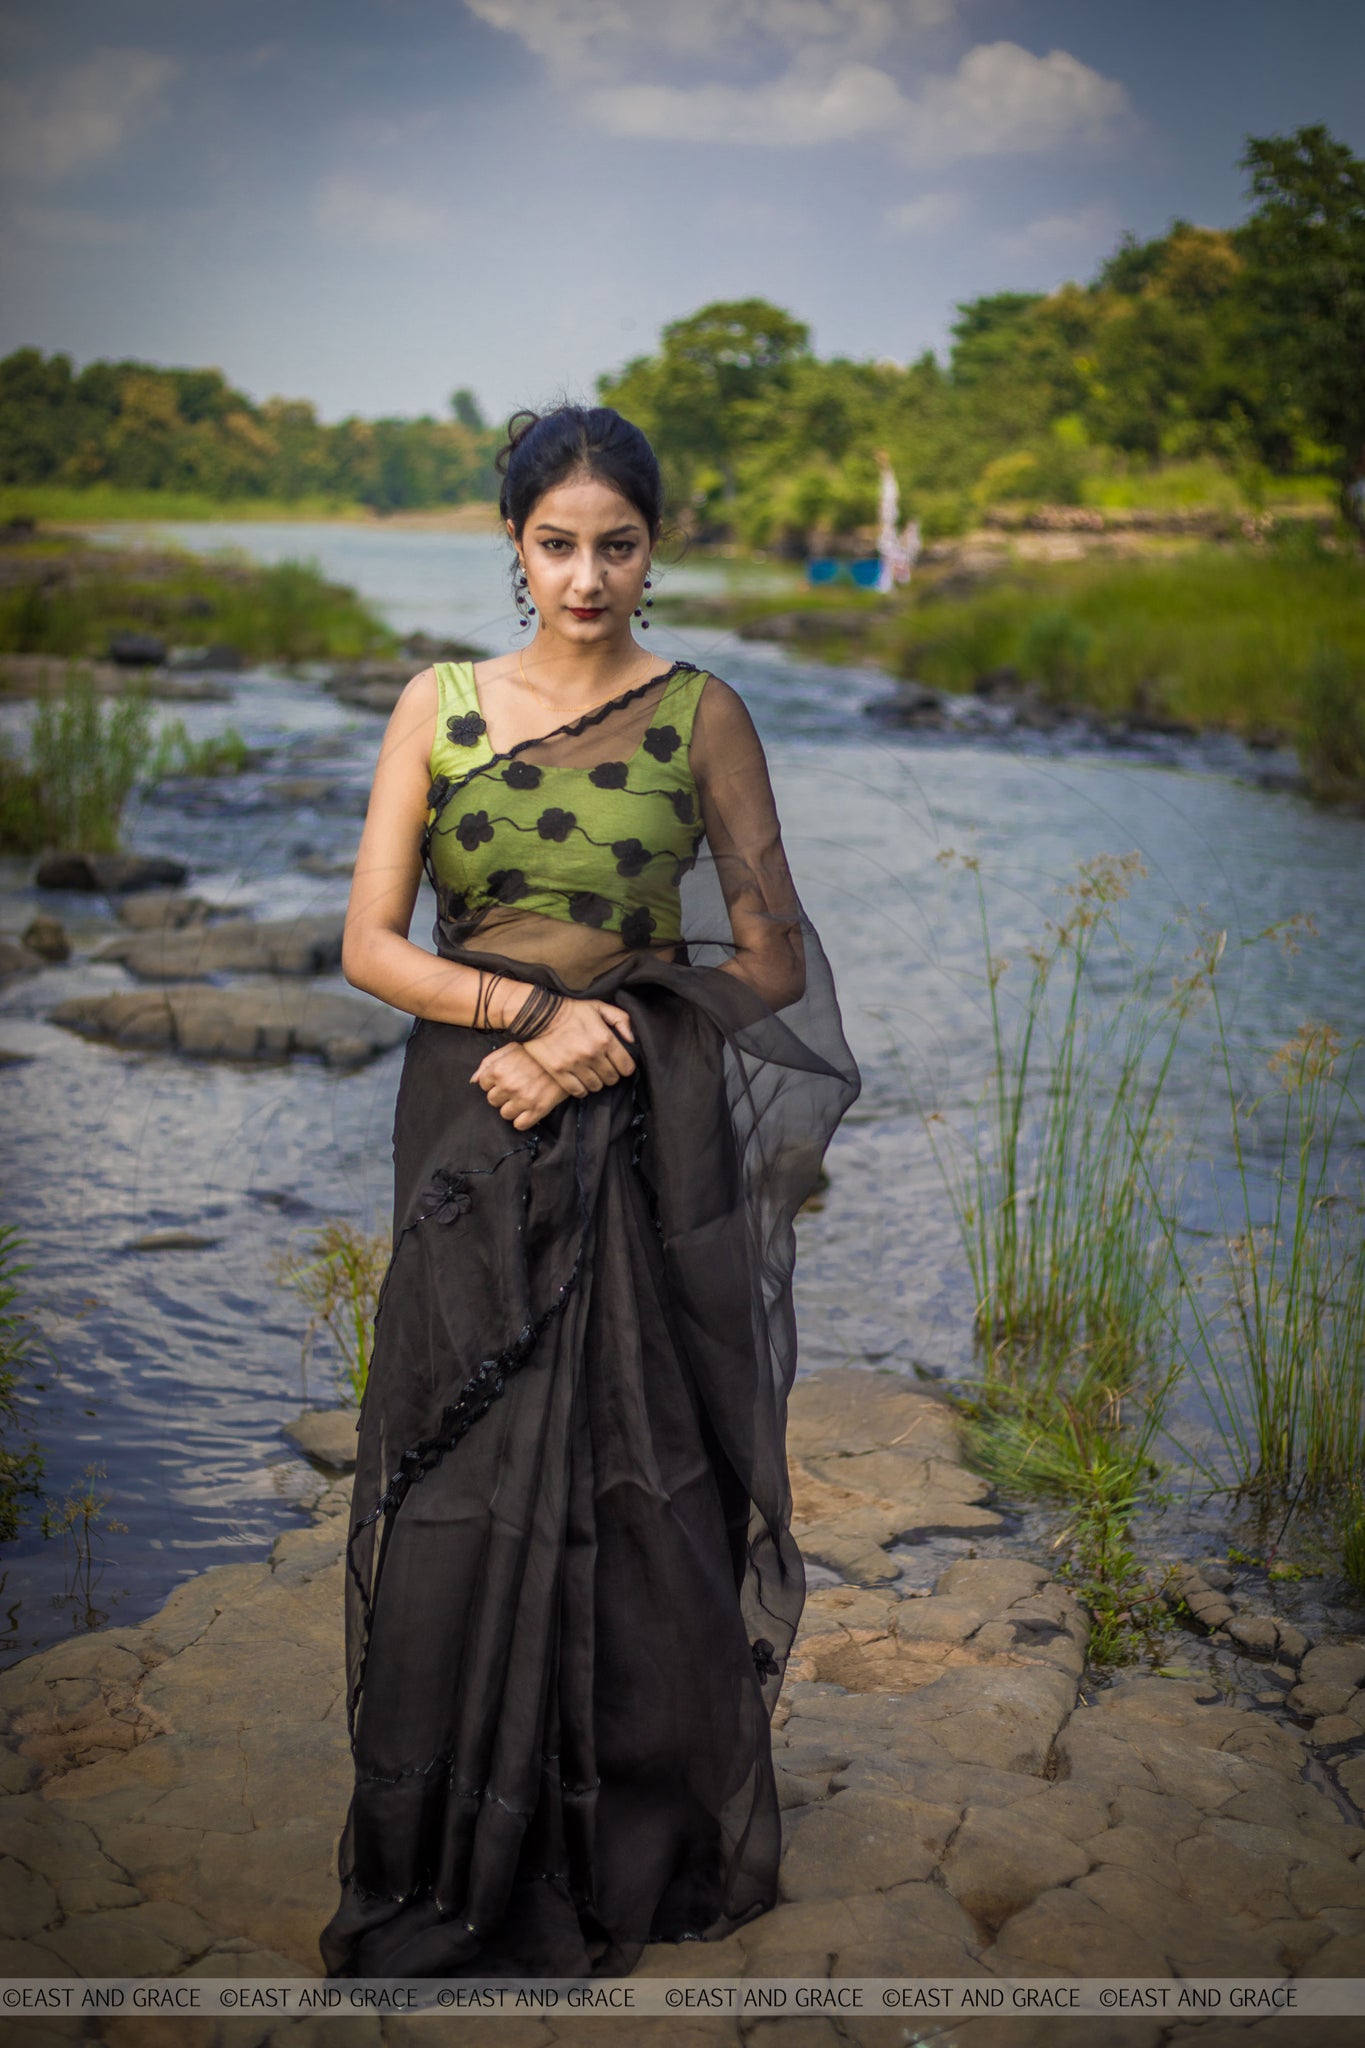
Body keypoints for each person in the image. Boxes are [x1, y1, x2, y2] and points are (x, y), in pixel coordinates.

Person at [320, 404, 859, 1977]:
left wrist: (600, 1038)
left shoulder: (702, 715)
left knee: (638, 1469)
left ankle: (624, 1835)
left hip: (632, 1129)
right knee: (461, 1457)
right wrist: (525, 1021)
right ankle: (450, 1851)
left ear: (651, 547)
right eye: (556, 545)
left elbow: (768, 962)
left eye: (614, 545)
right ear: (512, 547)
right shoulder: (440, 705)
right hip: (471, 1121)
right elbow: (368, 949)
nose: (585, 577)